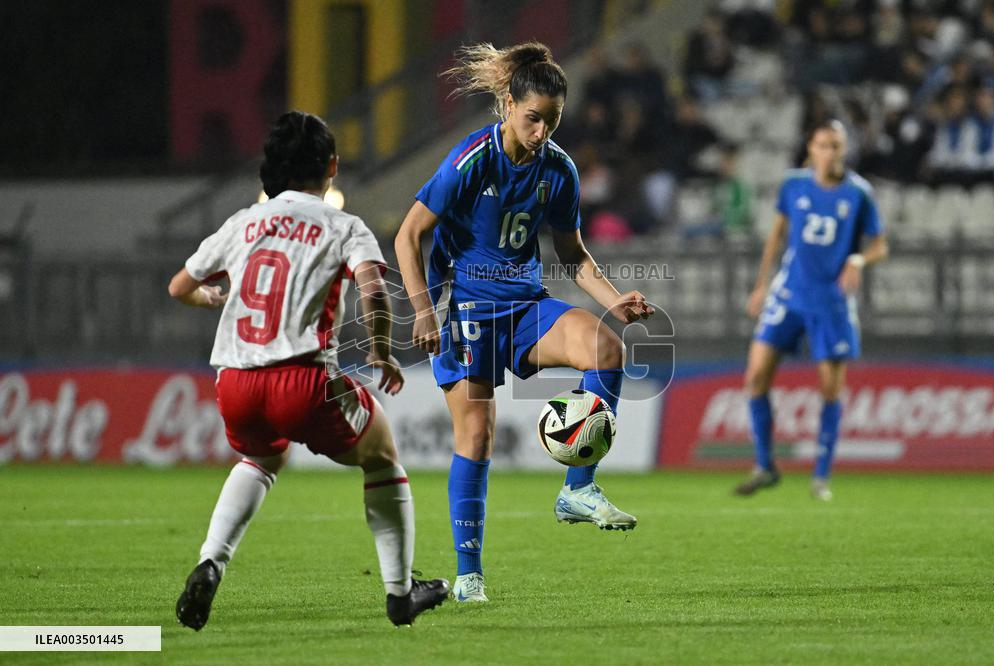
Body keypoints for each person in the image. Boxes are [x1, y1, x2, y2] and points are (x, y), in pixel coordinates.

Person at [167, 111, 448, 629]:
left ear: (267, 174)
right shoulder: (343, 226)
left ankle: (210, 562)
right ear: (333, 166)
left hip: (235, 382)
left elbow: (179, 286)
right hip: (301, 378)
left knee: (258, 460)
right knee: (383, 456)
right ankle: (400, 592)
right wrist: (381, 352)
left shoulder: (241, 223)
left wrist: (213, 298)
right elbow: (372, 289)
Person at [394, 42, 654, 603]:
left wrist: (614, 301)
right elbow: (408, 233)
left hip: (527, 306)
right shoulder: (470, 159)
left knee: (608, 349)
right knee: (477, 437)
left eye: (552, 122)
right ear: (508, 104)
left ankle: (577, 491)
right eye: (533, 118)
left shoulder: (558, 170)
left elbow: (573, 255)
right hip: (468, 310)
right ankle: (468, 576)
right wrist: (421, 308)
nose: (541, 132)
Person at [736, 119, 888, 501]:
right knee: (755, 377)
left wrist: (857, 261)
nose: (830, 152)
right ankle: (765, 465)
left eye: (837, 145)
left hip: (832, 302)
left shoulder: (858, 193)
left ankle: (821, 476)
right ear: (811, 148)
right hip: (788, 294)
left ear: (844, 149)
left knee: (829, 390)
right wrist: (760, 285)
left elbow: (880, 245)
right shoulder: (793, 185)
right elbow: (776, 235)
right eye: (824, 144)